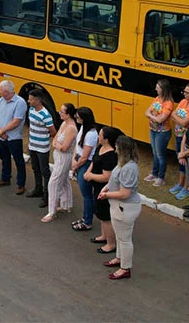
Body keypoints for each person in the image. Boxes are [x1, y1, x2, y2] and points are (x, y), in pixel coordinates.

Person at [98, 135, 141, 280]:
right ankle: (119, 259)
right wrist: (106, 188)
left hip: (125, 207)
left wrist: (107, 194)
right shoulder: (122, 163)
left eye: (117, 146)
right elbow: (113, 180)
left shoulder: (129, 168)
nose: (115, 149)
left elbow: (124, 193)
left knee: (125, 239)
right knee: (120, 236)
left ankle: (125, 268)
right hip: (118, 206)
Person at [84, 126, 120, 255]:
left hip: (104, 189)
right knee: (100, 214)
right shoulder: (101, 148)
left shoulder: (110, 155)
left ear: (106, 139)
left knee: (105, 216)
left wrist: (90, 176)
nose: (98, 137)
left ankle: (111, 244)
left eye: (100, 135)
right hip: (96, 186)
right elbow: (94, 162)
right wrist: (88, 172)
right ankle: (104, 236)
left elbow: (107, 177)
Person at [42, 103, 77, 222]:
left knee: (53, 182)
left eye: (62, 112)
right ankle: (66, 204)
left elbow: (65, 147)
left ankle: (52, 212)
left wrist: (57, 145)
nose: (59, 113)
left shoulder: (71, 128)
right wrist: (57, 145)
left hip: (64, 158)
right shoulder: (64, 123)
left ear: (68, 114)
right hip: (58, 156)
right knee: (64, 180)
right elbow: (56, 138)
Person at [0, 80, 28, 193]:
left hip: (14, 138)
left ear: (6, 92)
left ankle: (21, 184)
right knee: (4, 158)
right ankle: (5, 178)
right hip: (1, 136)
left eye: (1, 90)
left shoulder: (20, 103)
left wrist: (2, 130)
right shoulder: (1, 100)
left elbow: (16, 121)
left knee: (18, 161)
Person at [70, 107, 99, 232]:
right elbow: (77, 146)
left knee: (87, 194)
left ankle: (87, 221)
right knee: (84, 193)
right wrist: (73, 160)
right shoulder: (83, 128)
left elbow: (86, 156)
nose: (76, 119)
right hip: (78, 160)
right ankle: (85, 217)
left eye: (77, 117)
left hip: (85, 163)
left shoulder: (92, 134)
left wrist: (75, 166)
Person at [26, 89, 56, 206]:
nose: (29, 101)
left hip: (42, 148)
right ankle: (37, 189)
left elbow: (53, 132)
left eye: (31, 99)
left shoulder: (46, 115)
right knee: (35, 168)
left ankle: (47, 195)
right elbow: (31, 127)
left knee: (45, 171)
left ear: (37, 100)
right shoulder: (31, 110)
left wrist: (42, 138)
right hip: (32, 145)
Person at [144, 79, 174, 187]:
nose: (155, 89)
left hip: (163, 133)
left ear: (163, 89)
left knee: (161, 155)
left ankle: (161, 177)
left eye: (157, 87)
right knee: (155, 153)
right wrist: (154, 117)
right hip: (153, 130)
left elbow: (161, 119)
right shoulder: (157, 99)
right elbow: (146, 111)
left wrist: (152, 116)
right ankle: (154, 173)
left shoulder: (169, 103)